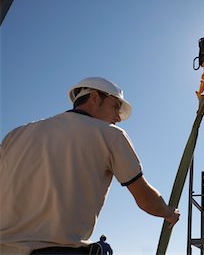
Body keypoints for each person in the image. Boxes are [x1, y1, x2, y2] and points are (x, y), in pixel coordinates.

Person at [0, 77, 180, 255]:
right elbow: (144, 198)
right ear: (94, 97)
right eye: (115, 106)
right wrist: (168, 212)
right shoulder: (110, 135)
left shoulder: (15, 135)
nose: (118, 117)